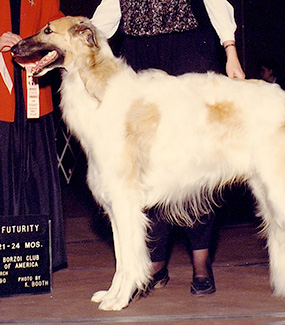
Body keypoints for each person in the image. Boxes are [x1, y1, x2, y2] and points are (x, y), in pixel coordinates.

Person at [91, 0, 245, 296]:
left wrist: (231, 52)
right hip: (138, 58)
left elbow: (217, 2)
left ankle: (201, 263)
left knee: (197, 162)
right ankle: (155, 264)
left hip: (187, 54)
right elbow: (102, 23)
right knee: (145, 168)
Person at [0, 0, 67, 272]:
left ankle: (37, 258)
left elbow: (56, 26)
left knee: (37, 175)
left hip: (34, 94)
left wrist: (52, 53)